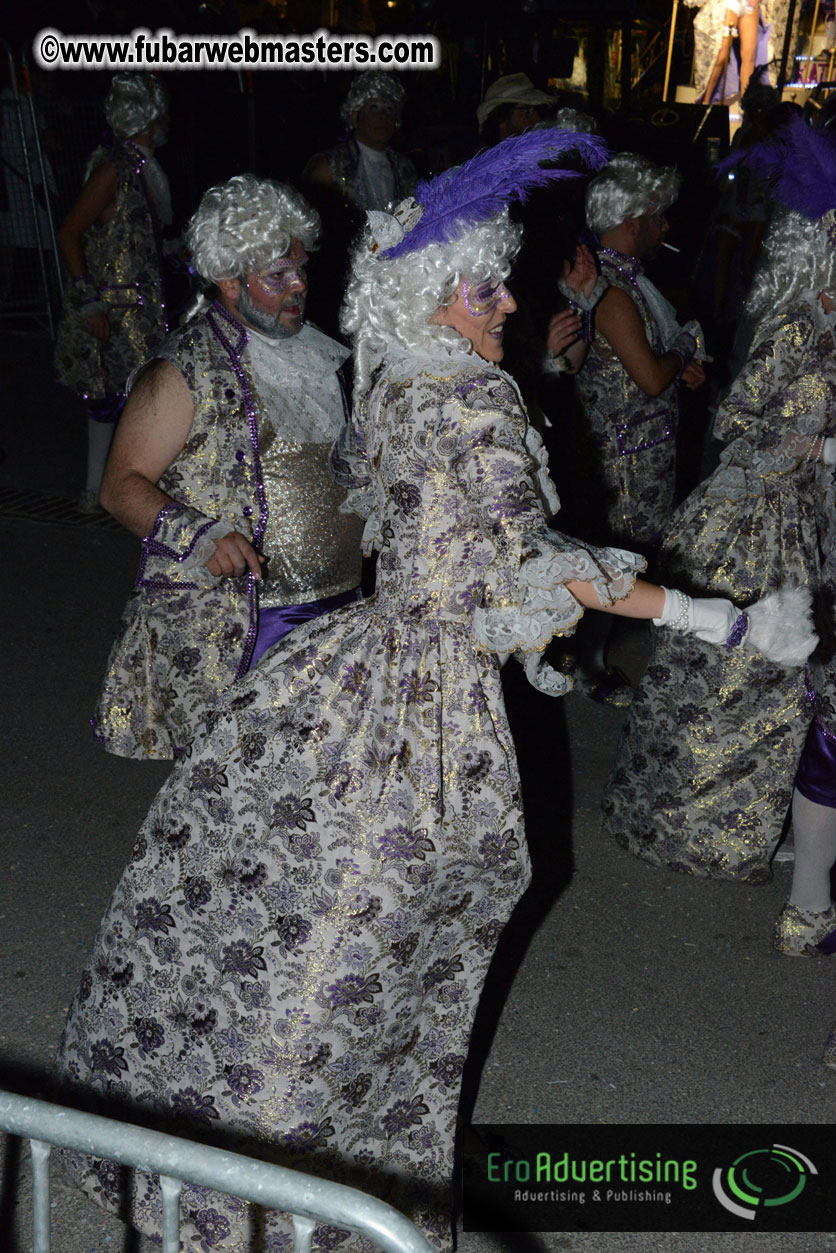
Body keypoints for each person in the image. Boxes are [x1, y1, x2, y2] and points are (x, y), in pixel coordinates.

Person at [55, 130, 796, 1250]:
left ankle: (220, 1157)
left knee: (289, 910)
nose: (506, 299)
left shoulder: (396, 374)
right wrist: (716, 616)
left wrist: (526, 381)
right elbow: (528, 559)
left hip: (350, 661)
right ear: (430, 296)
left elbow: (445, 523)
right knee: (366, 934)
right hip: (417, 704)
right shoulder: (457, 399)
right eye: (483, 286)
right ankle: (295, 1182)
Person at [604, 115, 836, 885]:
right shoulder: (796, 331)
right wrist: (798, 446)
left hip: (805, 516)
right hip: (751, 519)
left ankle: (766, 829)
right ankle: (690, 825)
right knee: (729, 679)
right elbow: (737, 419)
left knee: (783, 687)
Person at [92, 175, 363, 760]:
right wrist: (200, 534)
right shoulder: (182, 369)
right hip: (247, 623)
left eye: (300, 270)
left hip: (342, 607)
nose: (298, 288)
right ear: (229, 280)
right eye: (276, 277)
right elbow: (118, 488)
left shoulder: (318, 351)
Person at [53, 73, 170, 513]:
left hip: (142, 308)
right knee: (108, 399)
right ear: (149, 117)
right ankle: (94, 491)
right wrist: (90, 301)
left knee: (138, 397)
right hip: (114, 310)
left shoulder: (141, 166)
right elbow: (69, 233)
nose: (169, 122)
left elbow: (134, 237)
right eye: (164, 114)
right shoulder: (113, 168)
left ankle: (129, 489)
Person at [303, 71, 417, 214]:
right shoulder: (328, 166)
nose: (383, 116)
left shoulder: (406, 169)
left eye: (390, 110)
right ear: (354, 116)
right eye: (373, 107)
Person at [476, 73, 554, 147]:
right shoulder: (483, 159)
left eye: (538, 110)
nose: (537, 118)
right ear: (502, 116)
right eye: (527, 111)